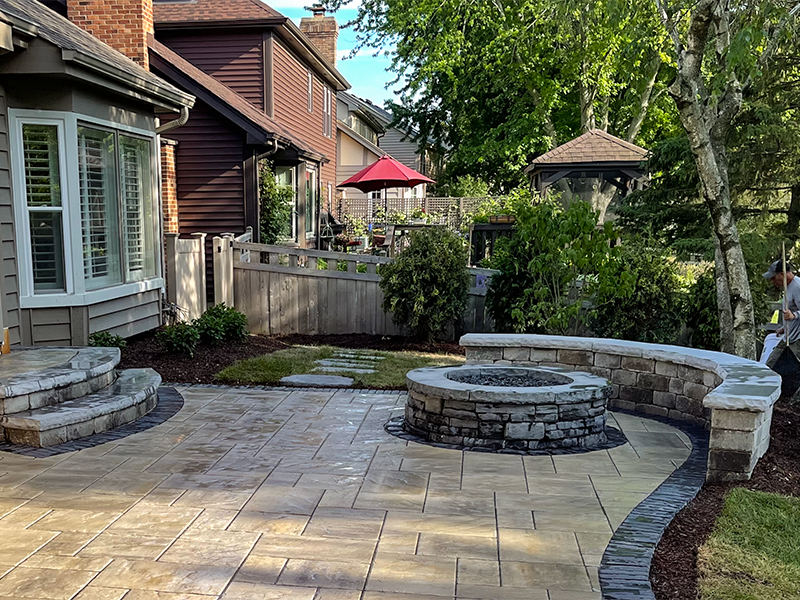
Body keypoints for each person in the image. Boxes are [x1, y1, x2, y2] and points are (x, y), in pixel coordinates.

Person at [763, 259, 800, 397]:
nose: (773, 281)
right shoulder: (788, 287)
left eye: (774, 277)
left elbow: (794, 313)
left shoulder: (797, 287)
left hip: (797, 339)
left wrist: (794, 315)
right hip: (789, 335)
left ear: (783, 274)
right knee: (770, 366)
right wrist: (783, 328)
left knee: (777, 367)